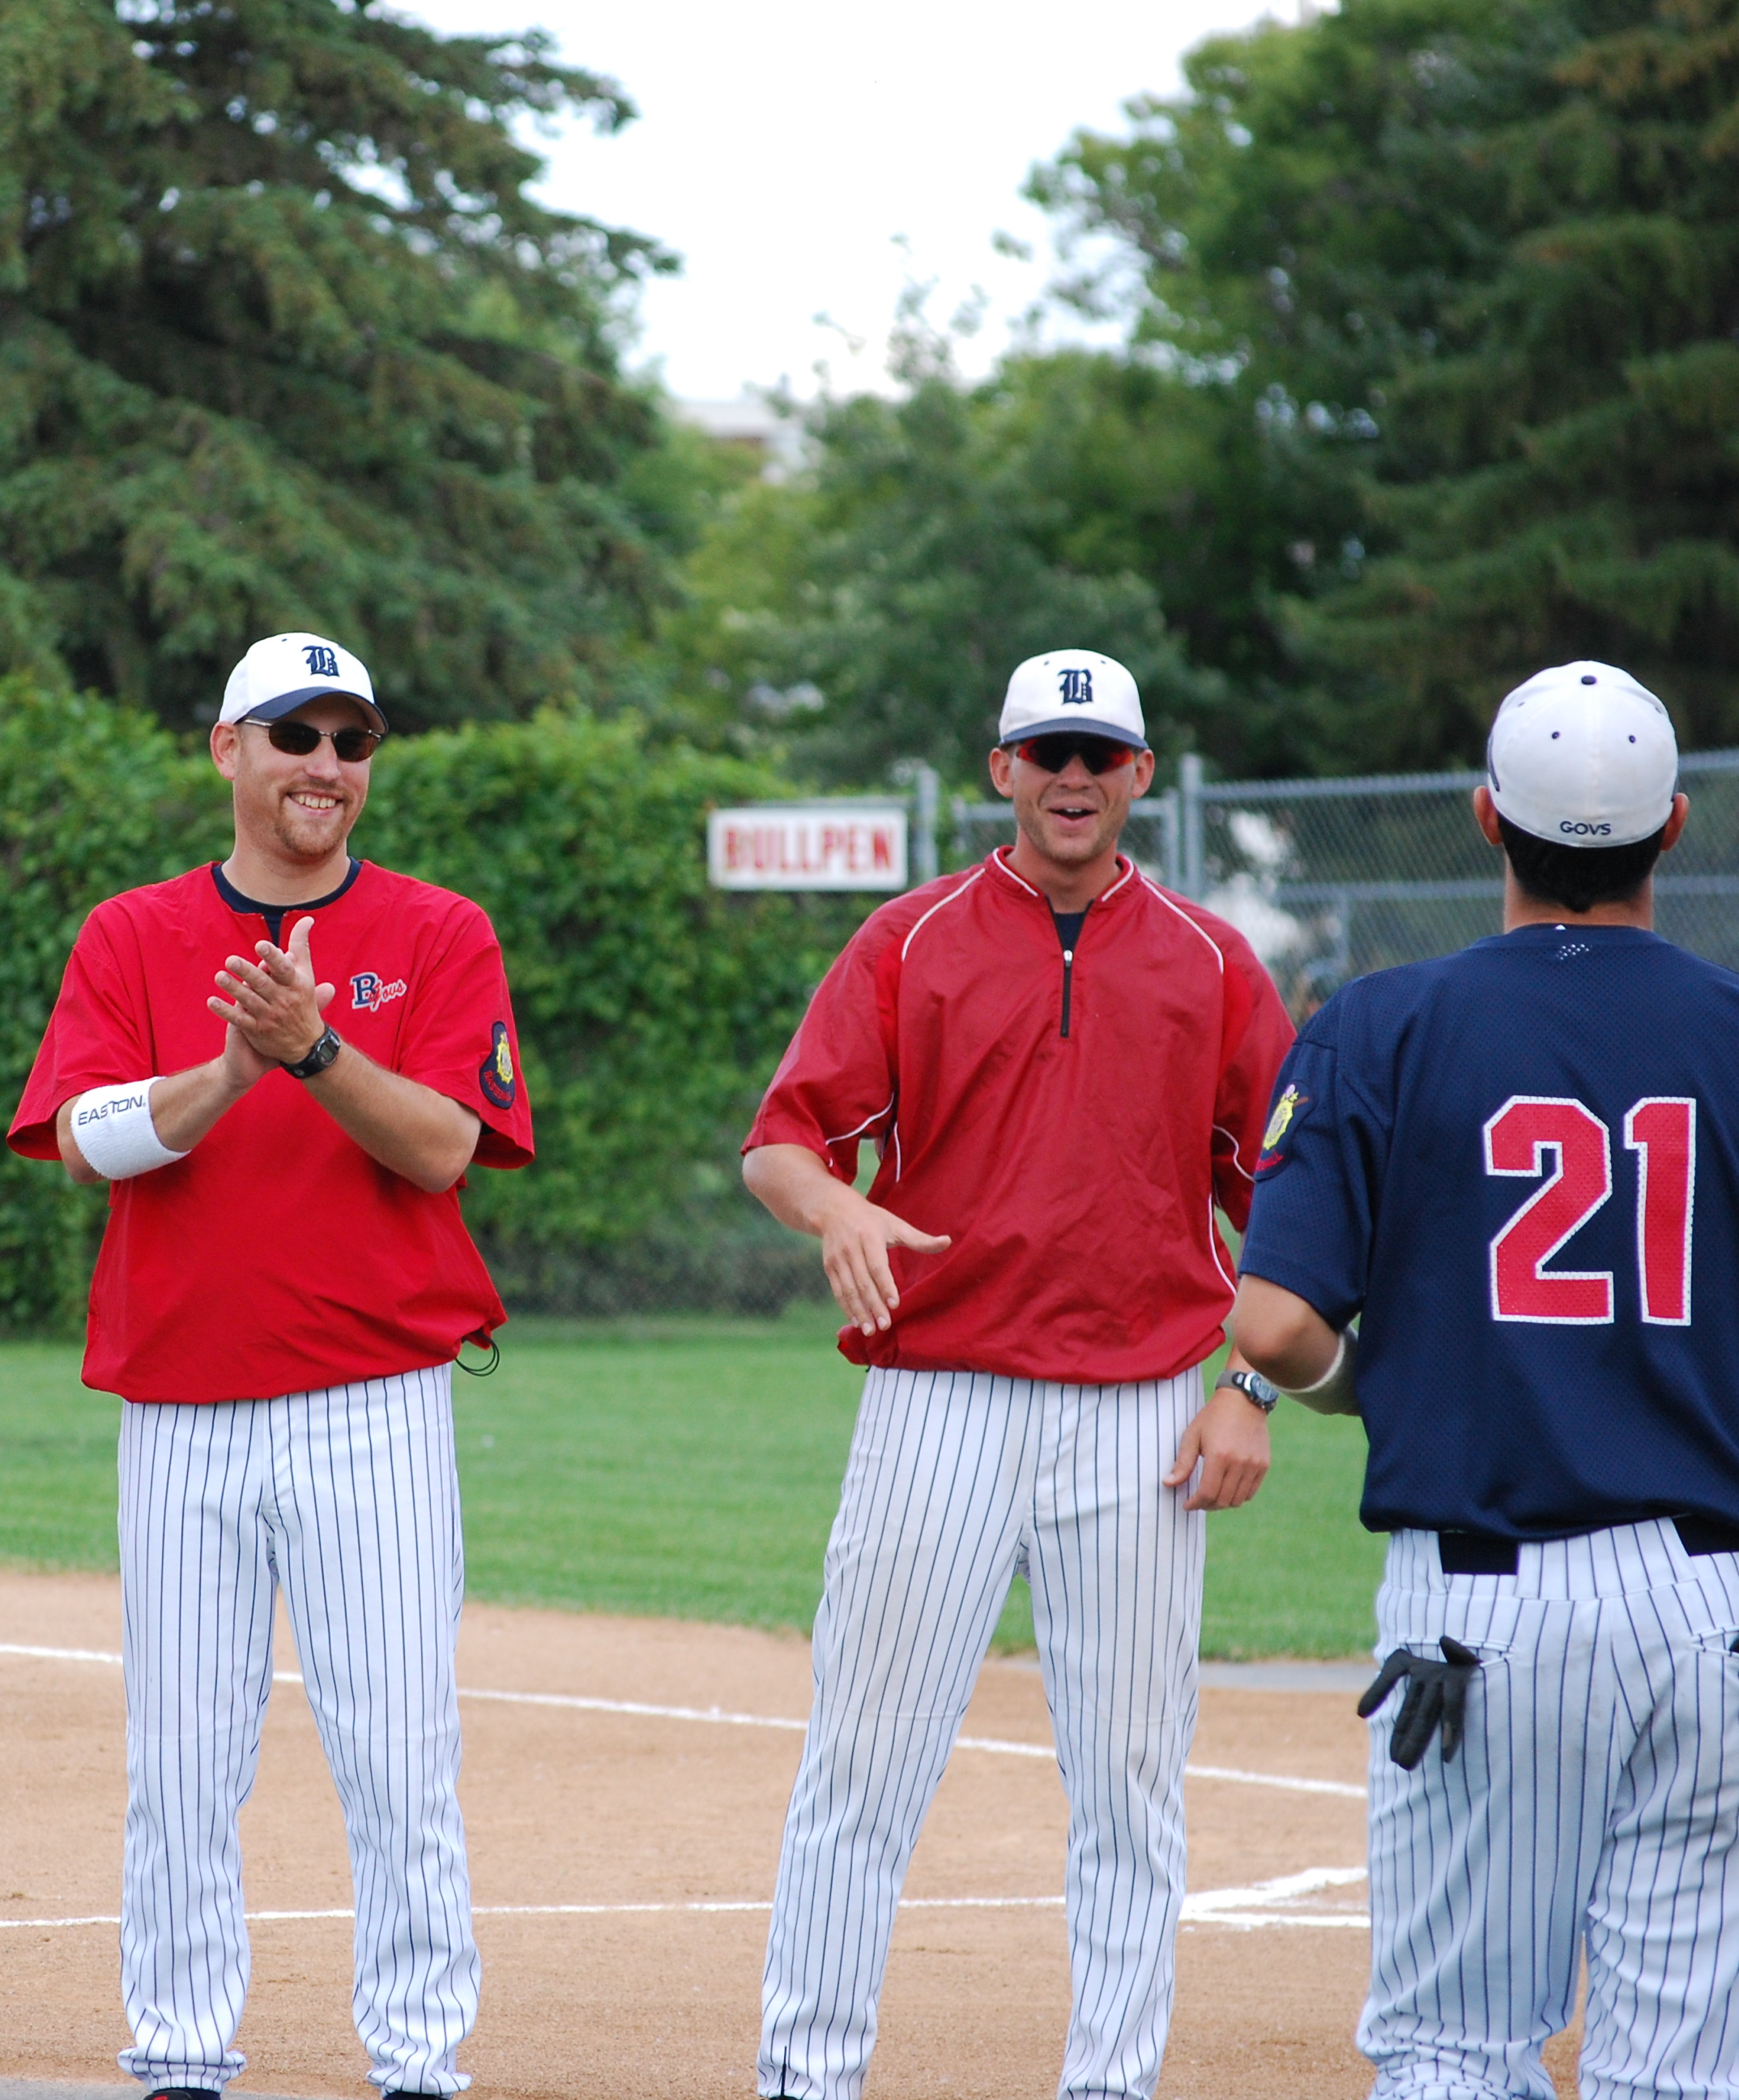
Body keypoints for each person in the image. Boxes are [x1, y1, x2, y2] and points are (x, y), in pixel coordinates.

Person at [1229, 661, 1739, 2100]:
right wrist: (1733, 1419)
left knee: (1453, 2050)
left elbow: (1276, 1327)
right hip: (1716, 1612)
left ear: (1488, 817)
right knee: (1681, 2069)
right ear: (1675, 826)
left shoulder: (1384, 1025)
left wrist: (1370, 1390)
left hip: (1481, 1610)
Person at [741, 650, 1297, 2100]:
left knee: (1130, 1787)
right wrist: (837, 1208)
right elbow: (783, 1142)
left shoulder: (1212, 962)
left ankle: (1110, 2083)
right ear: (1002, 770)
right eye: (1048, 751)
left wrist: (1251, 1388)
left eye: (1100, 754)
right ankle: (808, 2076)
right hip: (939, 1397)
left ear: (1141, 776)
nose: (1073, 776)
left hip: (1142, 1414)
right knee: (863, 1764)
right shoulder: (911, 939)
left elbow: (1298, 1210)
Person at [6, 631, 530, 2100]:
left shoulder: (438, 930)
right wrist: (233, 1070)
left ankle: (418, 2061)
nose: (326, 765)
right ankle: (181, 2055)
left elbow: (446, 1149)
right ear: (226, 749)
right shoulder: (134, 933)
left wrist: (312, 1052)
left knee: (398, 1757)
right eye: (295, 734)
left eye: (352, 741)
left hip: (375, 1405)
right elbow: (80, 1141)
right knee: (180, 1764)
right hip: (184, 1405)